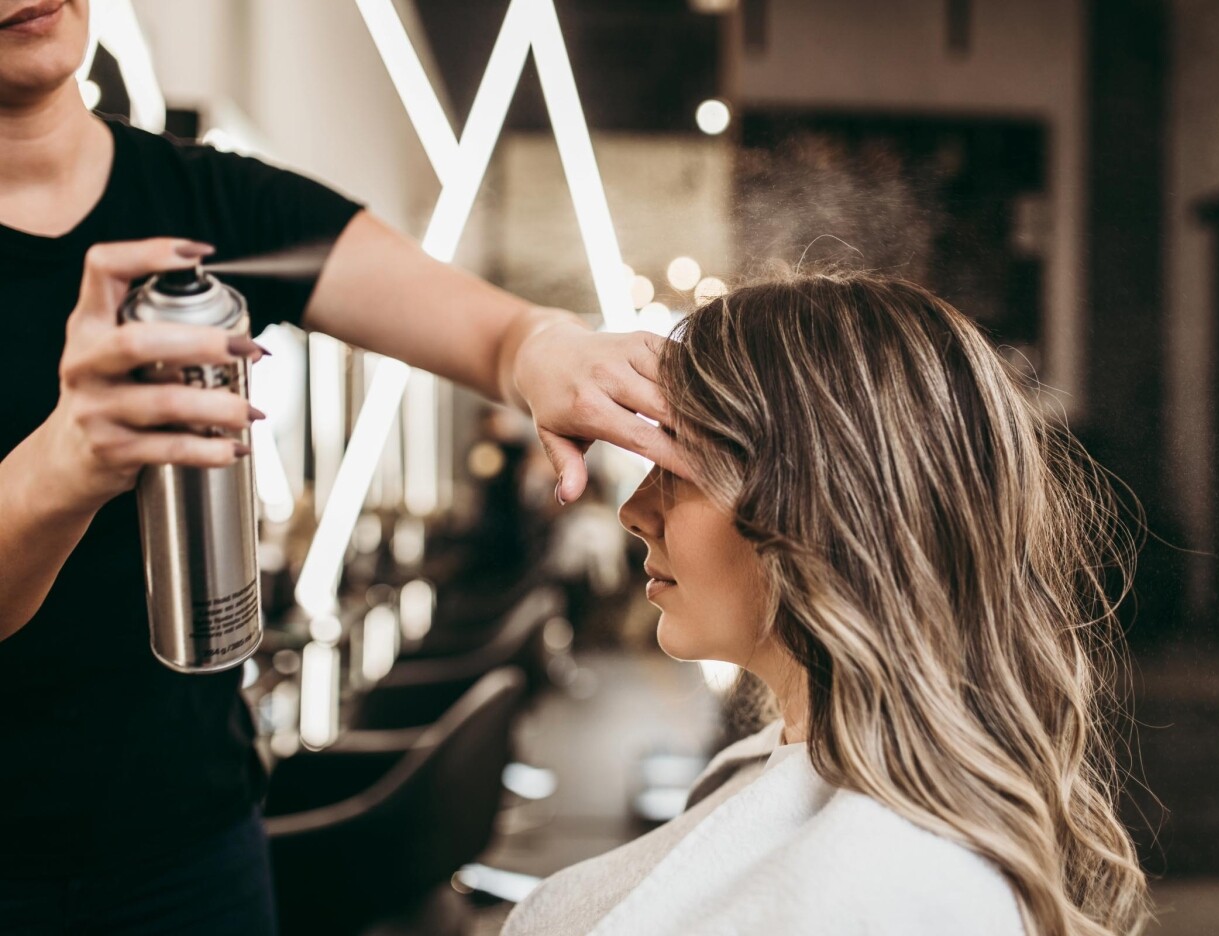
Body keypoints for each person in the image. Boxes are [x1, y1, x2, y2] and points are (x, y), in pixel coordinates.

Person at [0, 0, 680, 932]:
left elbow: (497, 333)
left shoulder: (217, 208)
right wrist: (63, 465)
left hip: (189, 848)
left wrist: (543, 349)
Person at [503, 274, 1153, 936]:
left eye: (677, 465)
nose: (635, 512)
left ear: (826, 509)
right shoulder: (833, 815)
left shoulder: (878, 896)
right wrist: (532, 346)